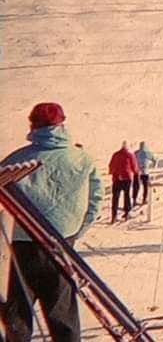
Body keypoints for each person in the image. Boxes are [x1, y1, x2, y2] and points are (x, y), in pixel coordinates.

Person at [0, 102, 103, 341]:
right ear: (62, 124)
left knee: (19, 313)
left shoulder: (15, 160)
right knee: (62, 313)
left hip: (23, 244)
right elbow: (96, 201)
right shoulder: (82, 159)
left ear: (33, 126)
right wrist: (77, 231)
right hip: (62, 243)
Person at [109, 141, 138, 222]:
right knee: (127, 195)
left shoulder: (115, 154)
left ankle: (114, 215)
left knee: (115, 197)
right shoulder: (130, 155)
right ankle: (127, 212)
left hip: (116, 178)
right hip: (126, 178)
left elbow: (111, 165)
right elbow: (134, 166)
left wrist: (112, 172)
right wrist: (136, 172)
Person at [133, 141, 156, 205]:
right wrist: (153, 165)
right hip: (145, 172)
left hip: (137, 172)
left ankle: (134, 200)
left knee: (136, 187)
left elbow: (132, 160)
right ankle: (144, 199)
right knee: (145, 187)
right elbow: (154, 159)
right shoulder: (147, 153)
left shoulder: (136, 153)